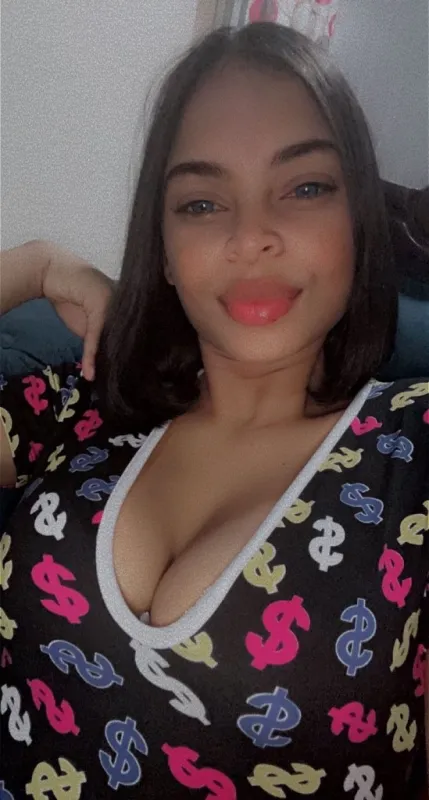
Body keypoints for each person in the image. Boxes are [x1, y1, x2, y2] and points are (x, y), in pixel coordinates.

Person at [0, 21, 428, 799]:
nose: (250, 236)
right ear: (162, 250)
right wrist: (35, 265)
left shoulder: (413, 449)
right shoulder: (87, 405)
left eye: (304, 188)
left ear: (358, 222)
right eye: (201, 202)